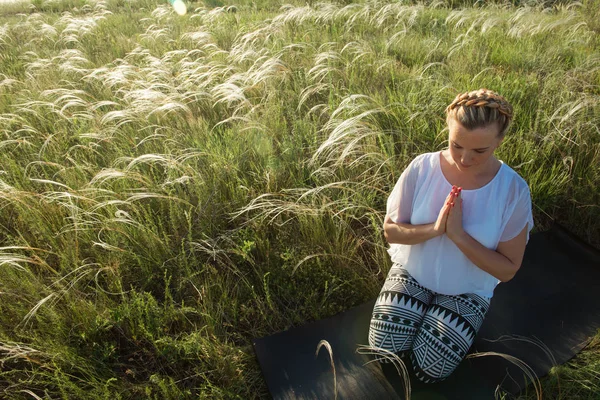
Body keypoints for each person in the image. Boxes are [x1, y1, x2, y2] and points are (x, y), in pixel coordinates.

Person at [368, 88, 534, 383]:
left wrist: (458, 236)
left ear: (500, 140)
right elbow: (391, 230)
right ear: (447, 128)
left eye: (479, 151)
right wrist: (434, 230)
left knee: (429, 369)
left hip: (466, 289)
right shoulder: (422, 167)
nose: (465, 159)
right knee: (385, 352)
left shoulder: (513, 191)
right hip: (414, 273)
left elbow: (507, 269)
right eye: (456, 145)